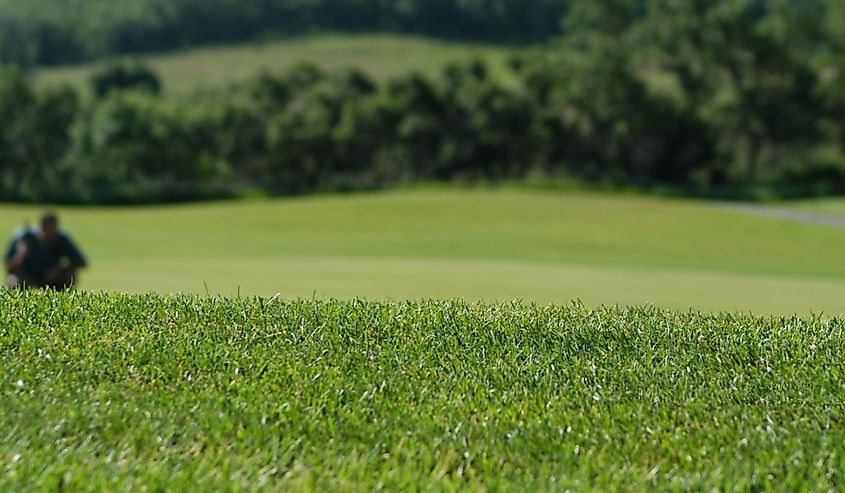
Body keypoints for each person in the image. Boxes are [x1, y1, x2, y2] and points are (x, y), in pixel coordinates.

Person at [5, 212, 88, 291]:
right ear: (40, 227)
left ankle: (59, 301)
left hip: (51, 279)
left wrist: (59, 268)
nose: (50, 233)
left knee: (70, 275)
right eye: (47, 229)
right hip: (27, 277)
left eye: (53, 230)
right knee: (13, 280)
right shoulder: (24, 237)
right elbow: (9, 267)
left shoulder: (61, 239)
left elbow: (82, 262)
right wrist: (19, 255)